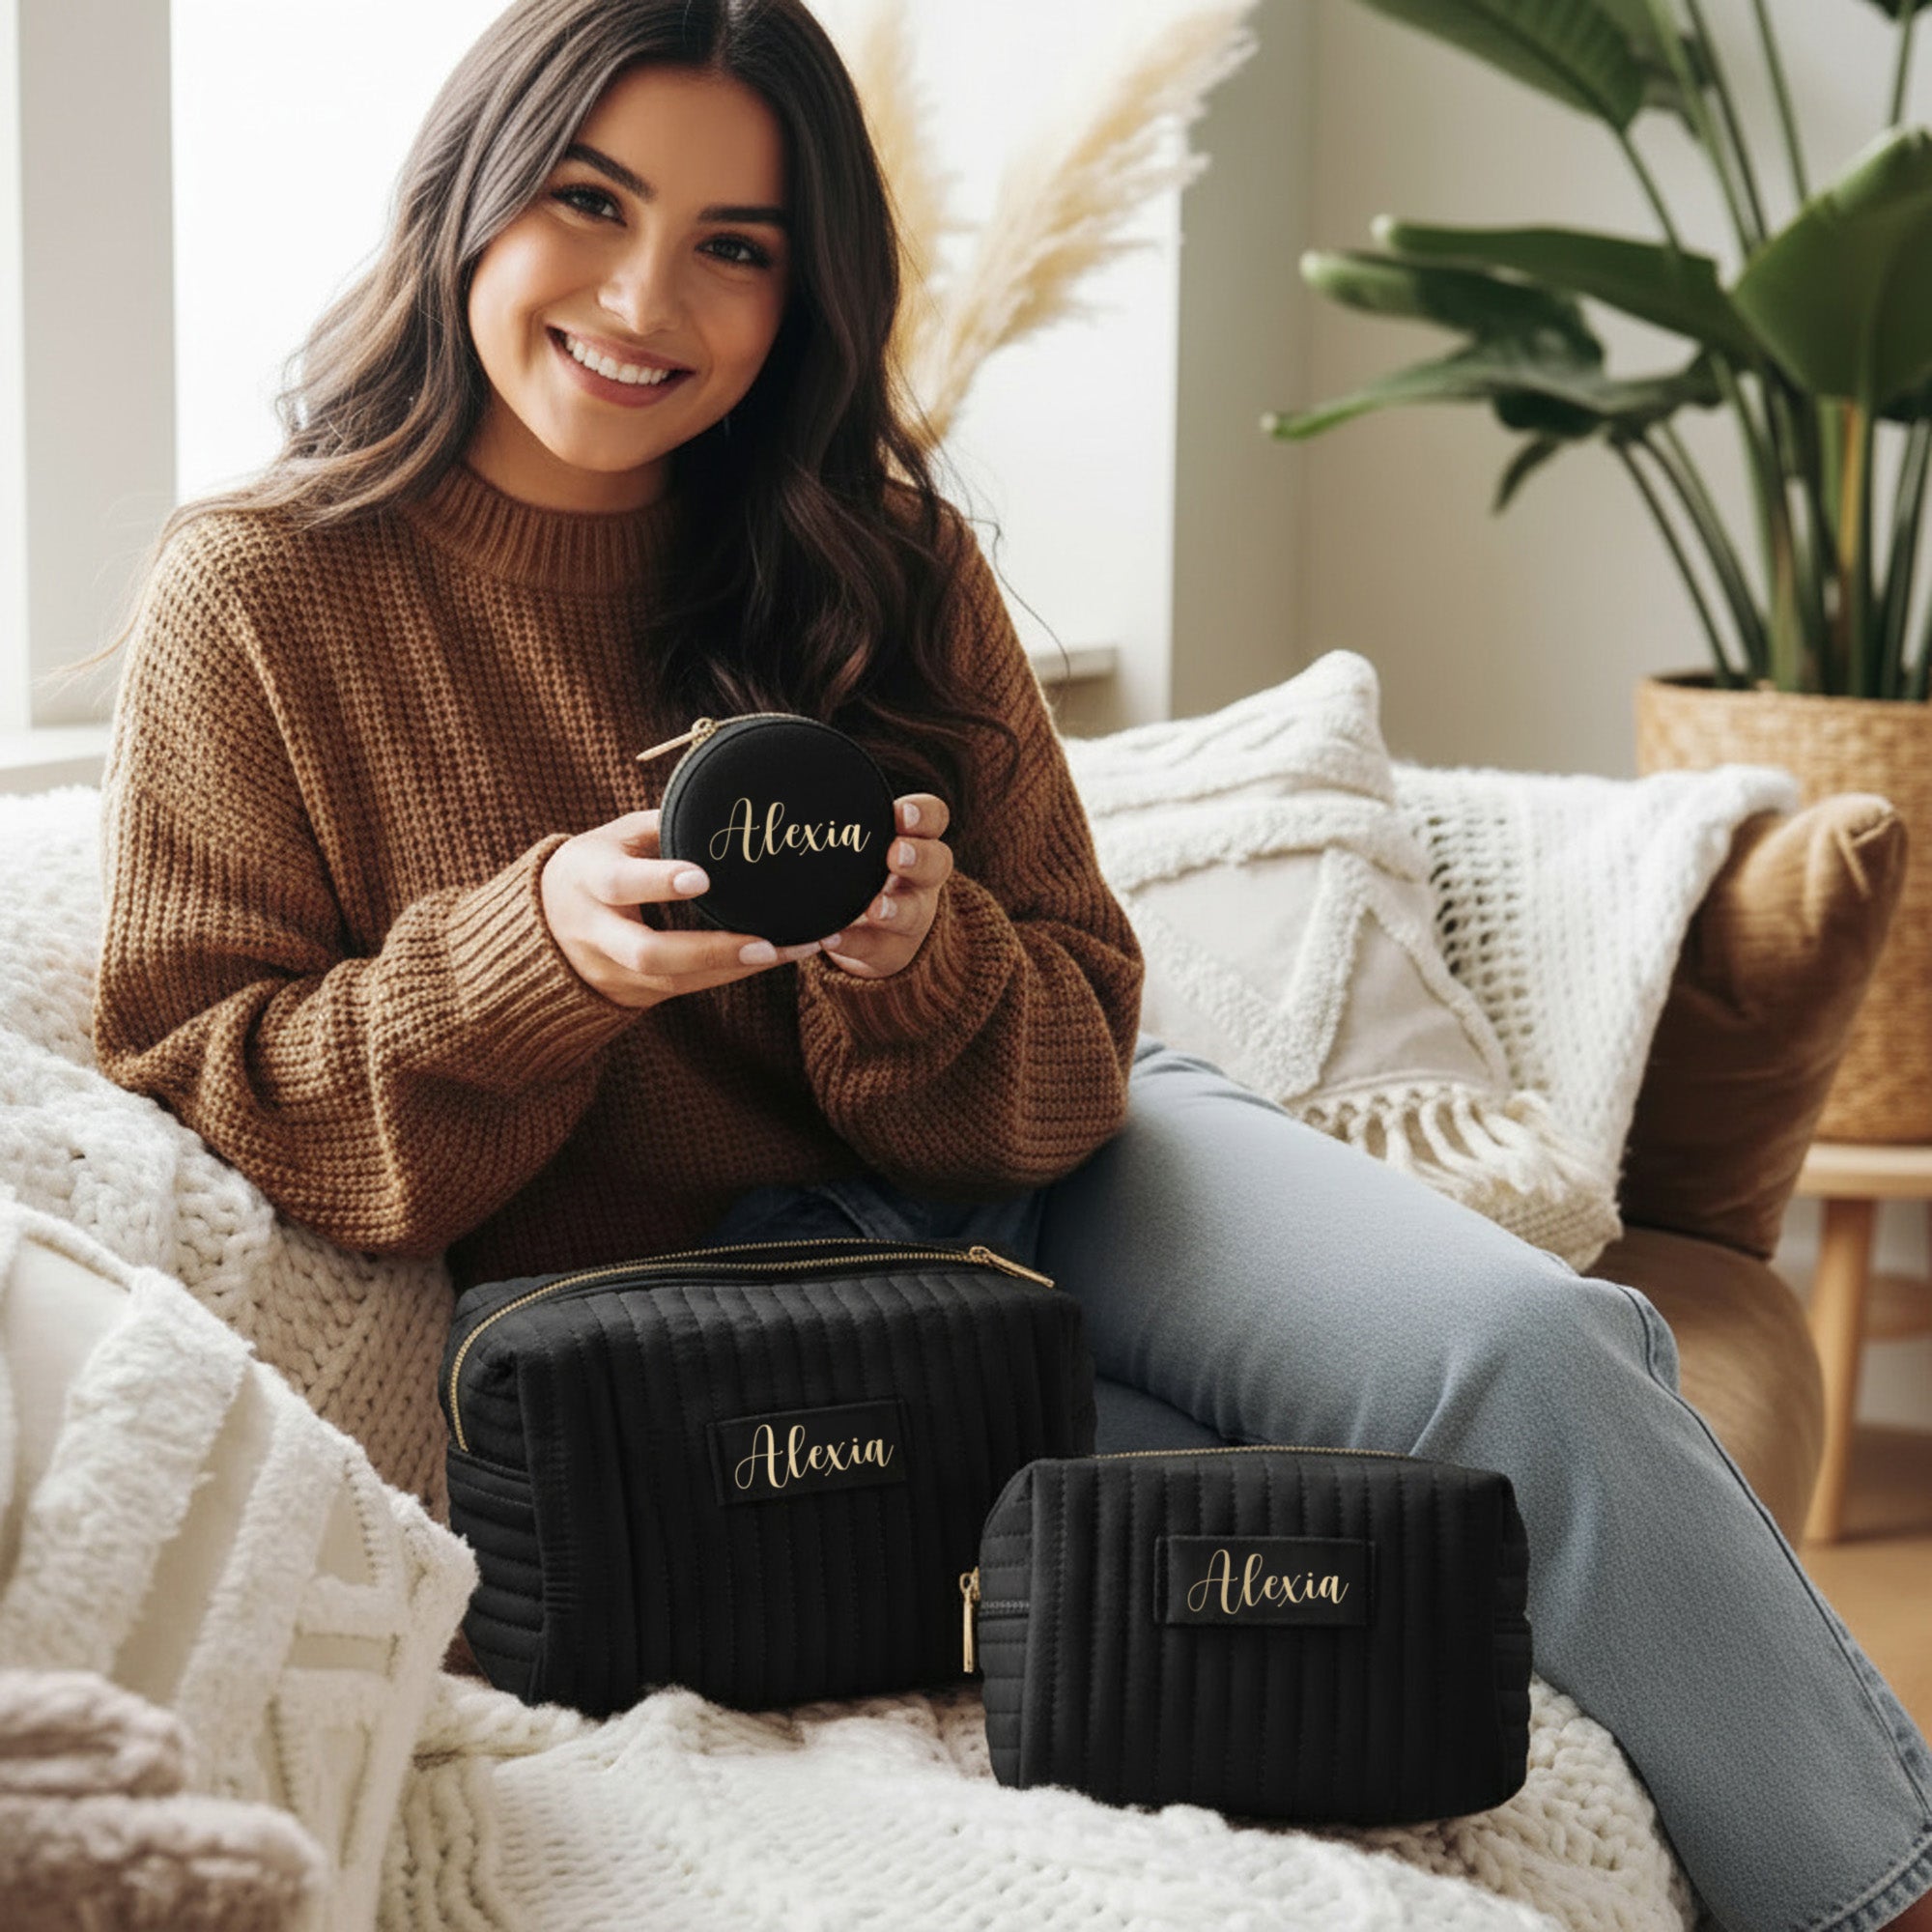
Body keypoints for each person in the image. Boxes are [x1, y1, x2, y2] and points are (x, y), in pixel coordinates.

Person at [82, 3, 1932, 1928]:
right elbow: (220, 1079)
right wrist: (533, 956)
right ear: (466, 200)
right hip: (712, 1329)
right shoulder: (263, 594)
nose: (648, 298)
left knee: (1534, 1352)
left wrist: (913, 955)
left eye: (737, 245)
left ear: (803, 295)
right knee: (1247, 1535)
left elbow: (1071, 1039)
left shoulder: (875, 556)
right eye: (587, 200)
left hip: (1067, 1167)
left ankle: (1876, 1889)